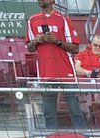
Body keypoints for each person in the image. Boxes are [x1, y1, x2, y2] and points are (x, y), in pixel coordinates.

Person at [26, 0, 86, 129]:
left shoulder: (63, 19)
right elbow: (30, 48)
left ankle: (83, 136)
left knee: (75, 110)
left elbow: (75, 49)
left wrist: (57, 41)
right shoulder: (32, 20)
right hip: (45, 74)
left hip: (66, 73)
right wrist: (36, 41)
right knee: (49, 113)